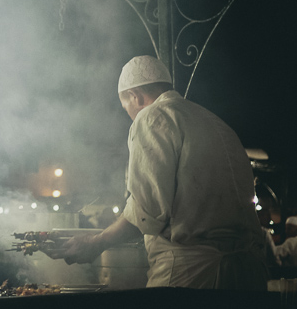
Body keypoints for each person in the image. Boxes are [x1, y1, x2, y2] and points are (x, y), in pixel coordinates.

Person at [50, 55, 267, 290]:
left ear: (135, 96)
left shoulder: (153, 116)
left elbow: (147, 212)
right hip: (249, 277)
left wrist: (96, 243)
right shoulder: (218, 123)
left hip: (193, 276)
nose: (130, 115)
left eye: (127, 107)